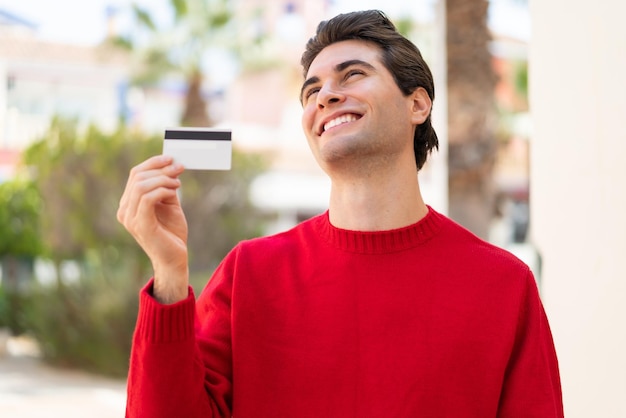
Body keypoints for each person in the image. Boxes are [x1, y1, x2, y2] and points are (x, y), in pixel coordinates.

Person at [117, 10, 563, 418]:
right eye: (312, 91)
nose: (326, 96)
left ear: (418, 104)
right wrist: (170, 275)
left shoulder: (503, 285)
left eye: (352, 75)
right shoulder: (248, 275)